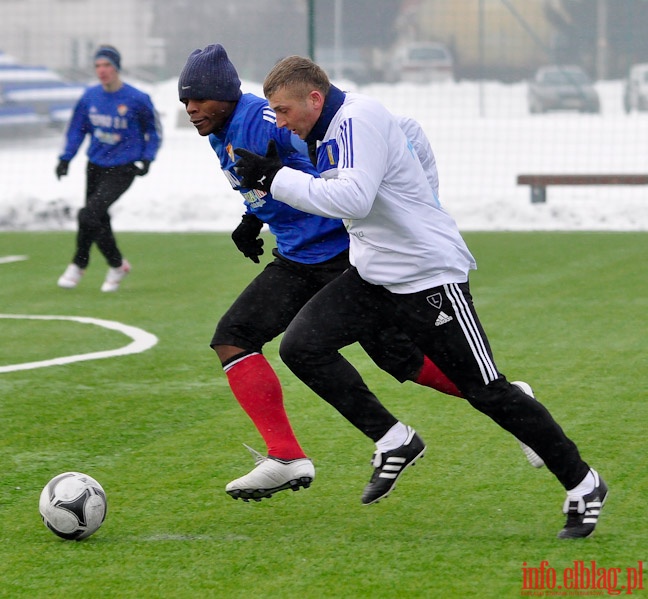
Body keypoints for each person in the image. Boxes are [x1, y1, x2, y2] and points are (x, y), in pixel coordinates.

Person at [233, 55, 607, 539]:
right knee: (302, 347)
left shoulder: (357, 119)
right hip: (374, 277)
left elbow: (354, 199)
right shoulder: (329, 130)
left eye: (283, 110)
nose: (279, 121)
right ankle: (394, 439)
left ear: (314, 98)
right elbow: (363, 189)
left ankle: (583, 483)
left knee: (487, 391)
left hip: (429, 277)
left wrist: (276, 179)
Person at [177, 45, 543, 504]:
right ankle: (287, 455)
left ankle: (508, 402)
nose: (191, 109)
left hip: (341, 256)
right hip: (297, 258)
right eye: (185, 102)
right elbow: (265, 178)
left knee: (400, 358)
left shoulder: (265, 119)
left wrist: (278, 184)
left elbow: (324, 166)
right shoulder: (219, 131)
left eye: (200, 99)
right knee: (234, 337)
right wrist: (254, 218)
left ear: (226, 95)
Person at [55, 45, 161, 292]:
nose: (102, 71)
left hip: (123, 167)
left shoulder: (137, 99)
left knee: (88, 214)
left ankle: (78, 264)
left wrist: (147, 158)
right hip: (95, 165)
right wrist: (65, 158)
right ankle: (117, 265)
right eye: (97, 66)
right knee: (98, 218)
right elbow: (76, 130)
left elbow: (154, 132)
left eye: (107, 66)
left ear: (116, 68)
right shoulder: (90, 97)